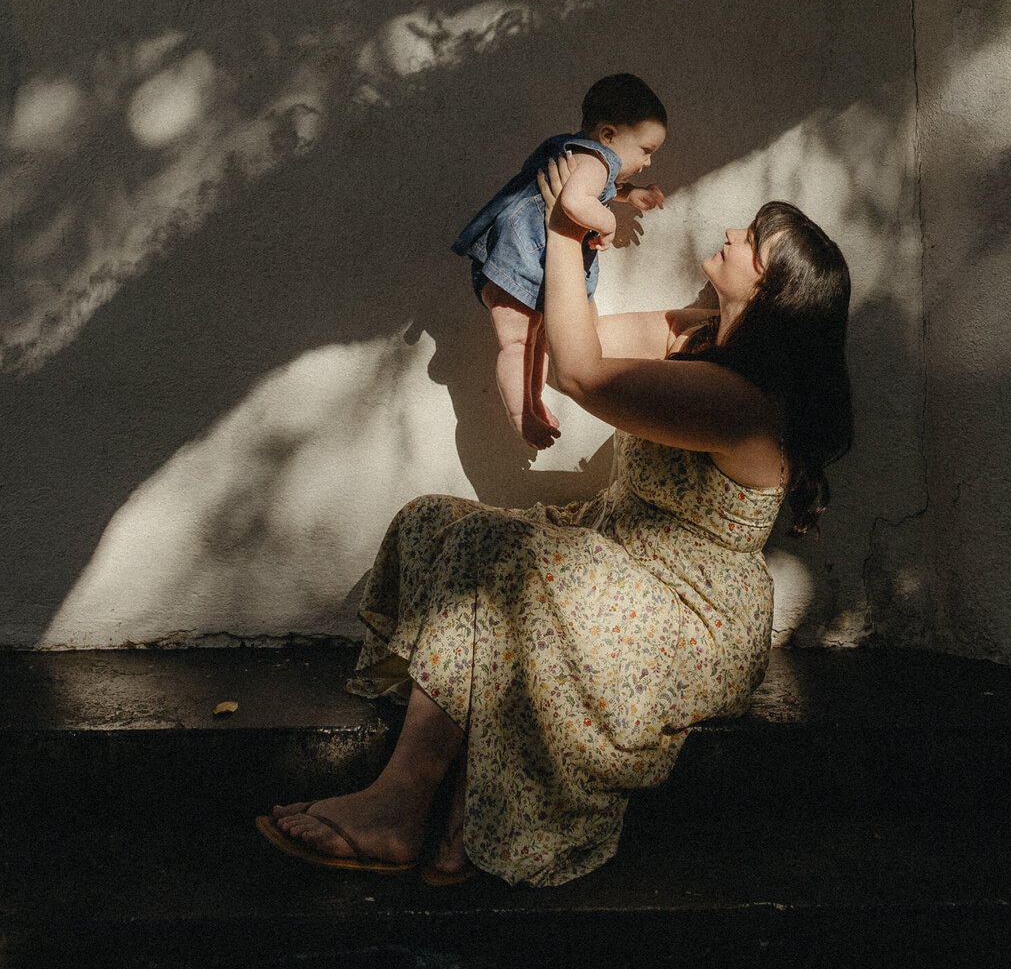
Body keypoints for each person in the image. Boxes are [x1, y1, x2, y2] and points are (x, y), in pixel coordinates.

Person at [257, 174, 853, 888]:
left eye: (755, 244)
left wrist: (569, 230)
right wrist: (541, 250)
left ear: (771, 295)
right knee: (431, 523)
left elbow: (580, 375)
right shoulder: (696, 336)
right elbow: (574, 339)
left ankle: (400, 803)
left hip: (683, 613)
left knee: (496, 551)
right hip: (616, 554)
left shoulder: (742, 404)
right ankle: (463, 794)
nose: (734, 236)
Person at [450, 71, 669, 450]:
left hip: (520, 264)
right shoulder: (597, 162)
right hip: (519, 263)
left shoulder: (579, 153)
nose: (648, 161)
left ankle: (531, 405)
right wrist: (608, 222)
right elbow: (574, 200)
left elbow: (587, 187)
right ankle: (522, 414)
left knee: (532, 342)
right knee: (520, 345)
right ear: (609, 135)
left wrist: (629, 194)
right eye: (646, 150)